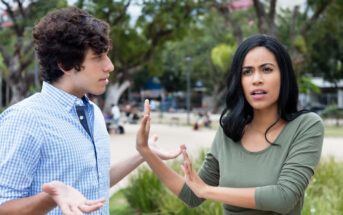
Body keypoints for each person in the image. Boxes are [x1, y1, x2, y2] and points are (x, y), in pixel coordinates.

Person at [0, 7, 181, 215]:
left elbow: (95, 181)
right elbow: (4, 207)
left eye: (107, 56)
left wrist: (142, 153)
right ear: (66, 64)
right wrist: (52, 197)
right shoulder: (24, 118)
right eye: (98, 57)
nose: (110, 66)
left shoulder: (93, 112)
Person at [136, 34, 324, 215]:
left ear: (284, 76)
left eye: (267, 69)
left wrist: (207, 191)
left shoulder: (306, 126)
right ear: (239, 80)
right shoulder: (230, 128)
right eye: (247, 72)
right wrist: (145, 150)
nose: (256, 79)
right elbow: (192, 194)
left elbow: (284, 198)